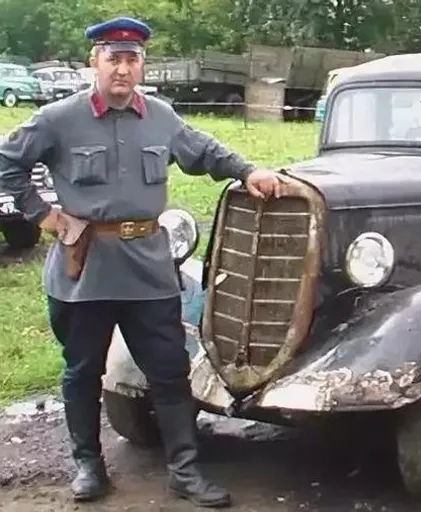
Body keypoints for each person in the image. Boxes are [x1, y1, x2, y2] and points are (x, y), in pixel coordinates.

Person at [0, 16, 284, 507]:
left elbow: (204, 151)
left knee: (169, 372)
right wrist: (45, 217)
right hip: (83, 268)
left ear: (141, 65)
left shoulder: (160, 116)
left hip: (148, 269)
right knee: (82, 372)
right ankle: (88, 465)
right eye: (114, 58)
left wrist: (248, 170)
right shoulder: (57, 119)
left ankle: (185, 471)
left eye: (132, 60)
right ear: (95, 62)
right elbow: (6, 162)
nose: (123, 69)